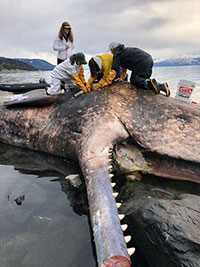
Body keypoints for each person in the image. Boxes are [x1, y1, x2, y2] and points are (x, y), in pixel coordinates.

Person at [106, 42, 170, 97]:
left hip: (140, 62)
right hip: (149, 59)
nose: (111, 52)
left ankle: (151, 83)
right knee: (143, 81)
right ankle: (162, 86)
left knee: (135, 80)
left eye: (111, 50)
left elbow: (114, 70)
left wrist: (107, 81)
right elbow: (124, 68)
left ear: (113, 49)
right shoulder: (124, 51)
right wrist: (121, 78)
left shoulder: (117, 54)